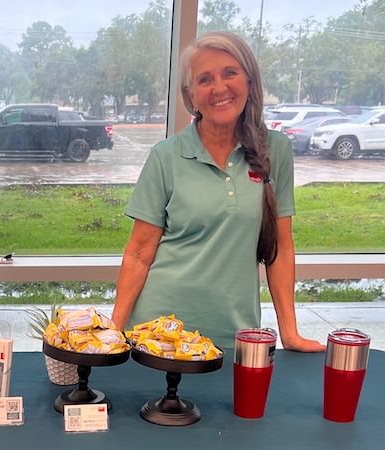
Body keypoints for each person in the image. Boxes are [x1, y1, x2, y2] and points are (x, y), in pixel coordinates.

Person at [111, 31, 323, 352]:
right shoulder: (165, 156)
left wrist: (289, 333)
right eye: (205, 79)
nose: (220, 88)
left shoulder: (274, 150)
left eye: (230, 73)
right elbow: (139, 254)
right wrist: (114, 331)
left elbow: (280, 248)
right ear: (191, 95)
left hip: (235, 337)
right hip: (158, 339)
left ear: (249, 81)